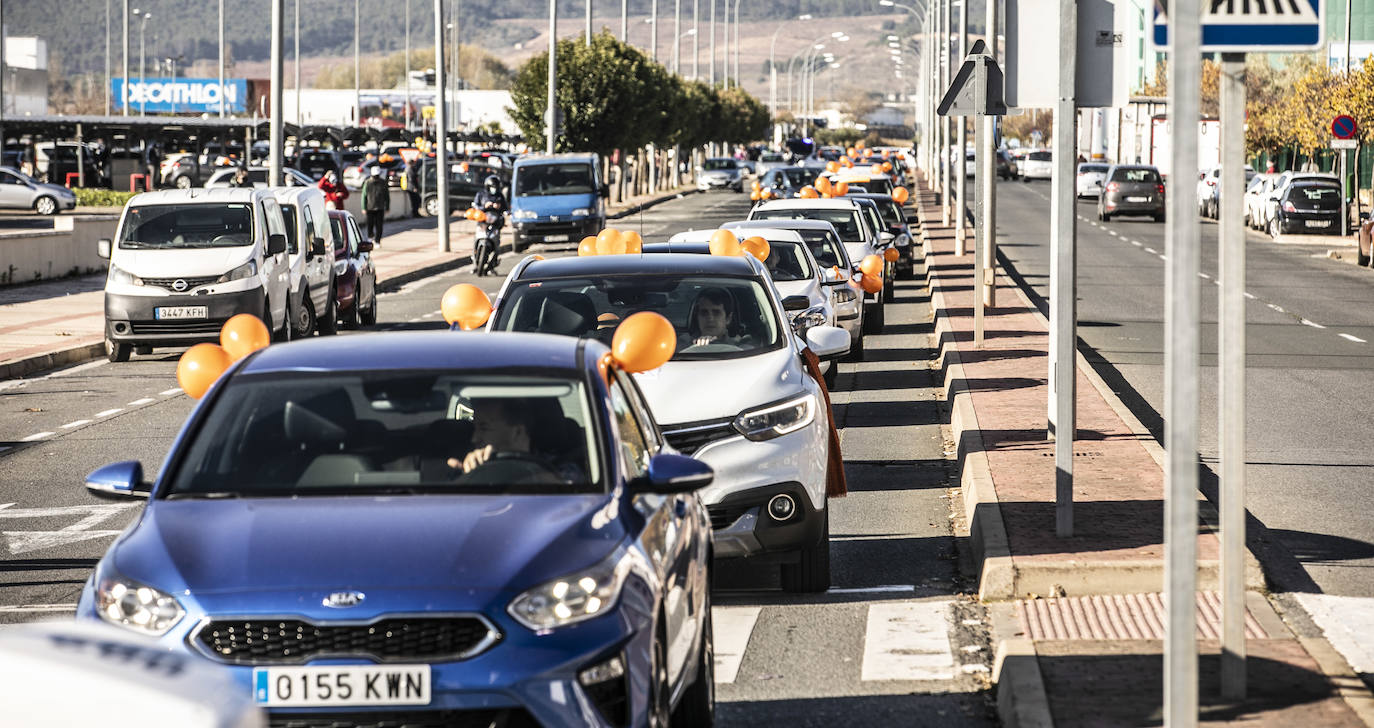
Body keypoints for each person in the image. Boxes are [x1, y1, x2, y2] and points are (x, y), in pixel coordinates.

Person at [681, 287, 747, 349]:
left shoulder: (742, 348)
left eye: (716, 313)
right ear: (697, 318)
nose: (710, 318)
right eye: (704, 313)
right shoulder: (682, 344)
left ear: (728, 319)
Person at [471, 174, 507, 267]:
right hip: (483, 220)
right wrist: (484, 206)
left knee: (497, 240)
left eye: (496, 187)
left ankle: (494, 259)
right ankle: (474, 258)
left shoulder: (500, 196)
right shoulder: (481, 194)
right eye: (492, 187)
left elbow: (505, 208)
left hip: (495, 222)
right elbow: (475, 205)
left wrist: (499, 207)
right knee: (476, 237)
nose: (494, 189)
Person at [360, 165, 390, 244]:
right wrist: (364, 207)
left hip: (380, 207)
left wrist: (387, 207)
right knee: (370, 224)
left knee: (379, 225)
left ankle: (377, 240)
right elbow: (364, 196)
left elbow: (387, 196)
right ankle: (370, 237)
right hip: (370, 207)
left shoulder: (383, 183)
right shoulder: (368, 183)